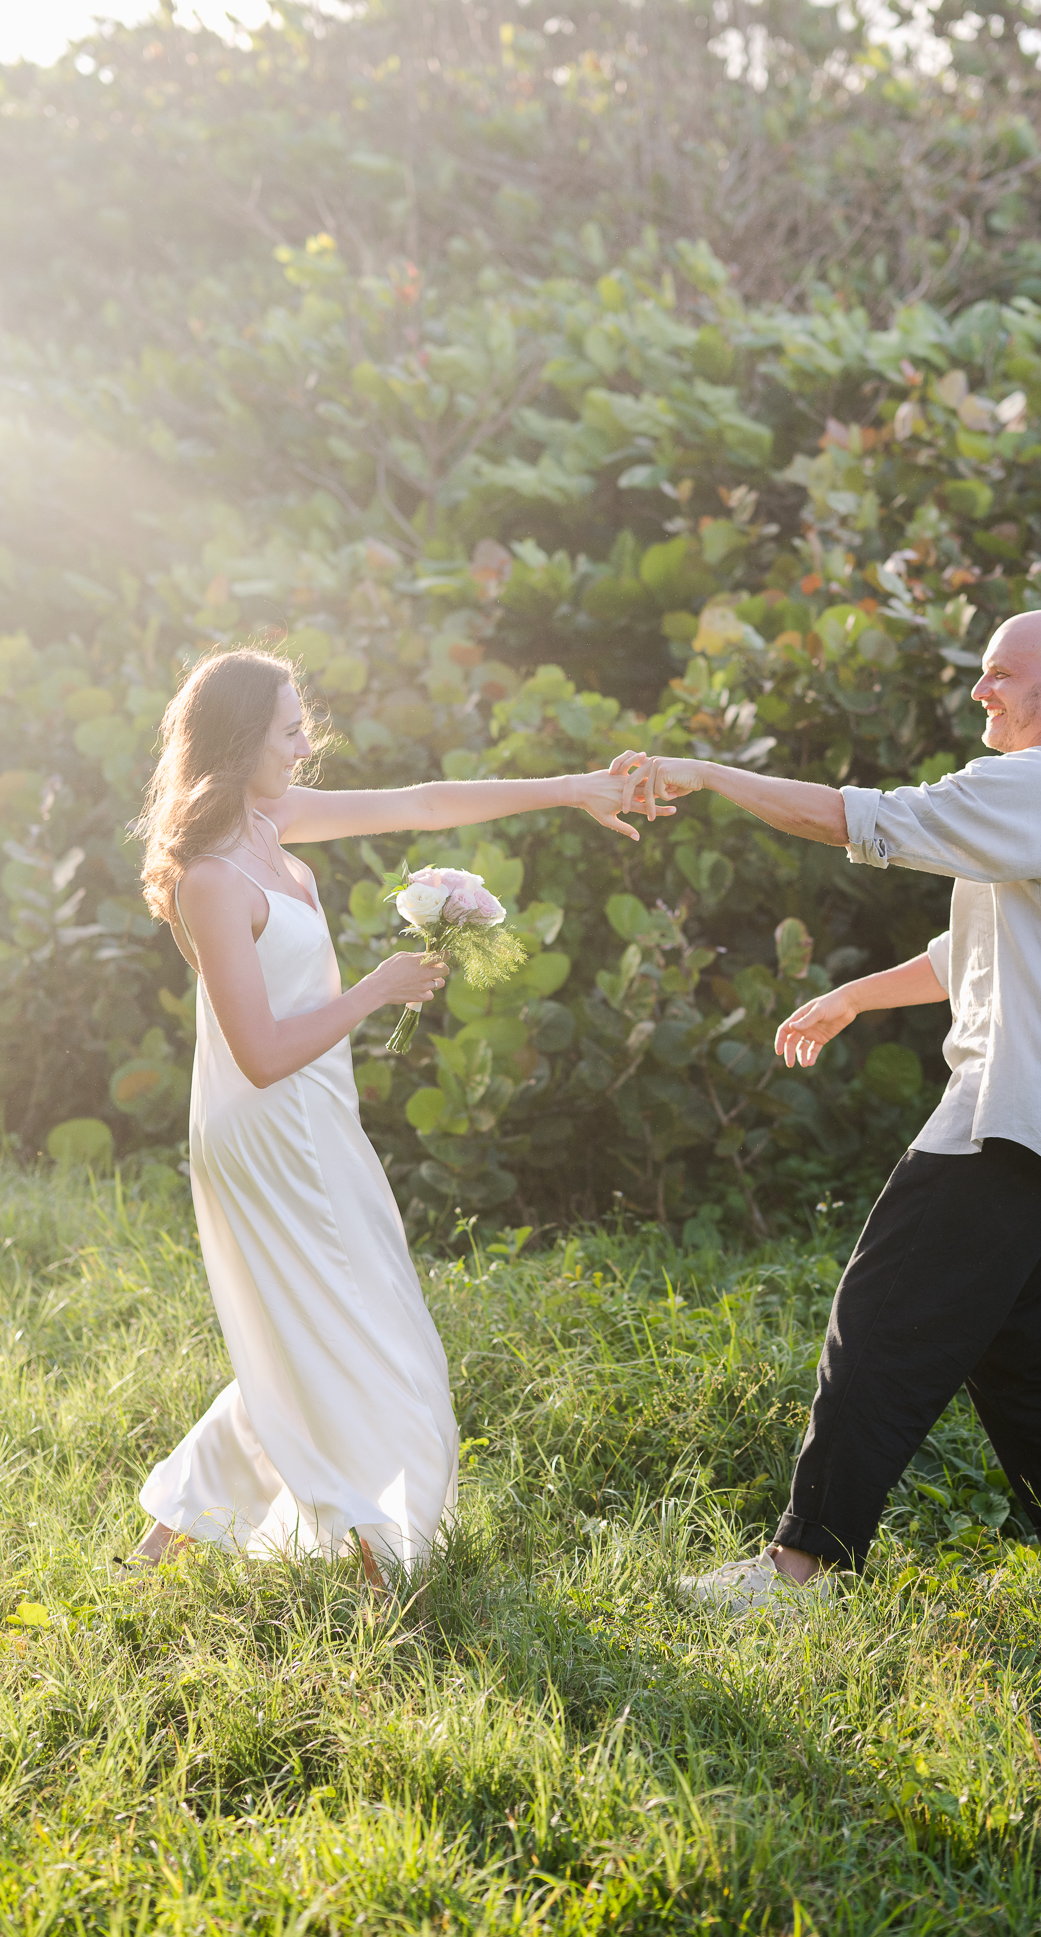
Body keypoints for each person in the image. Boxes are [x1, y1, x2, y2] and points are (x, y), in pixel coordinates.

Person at [617, 609, 1041, 1612]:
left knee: (877, 1314)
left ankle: (798, 1572)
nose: (980, 691)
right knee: (1018, 1364)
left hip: (1007, 1120)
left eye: (1001, 675)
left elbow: (857, 818)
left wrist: (714, 774)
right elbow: (981, 952)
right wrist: (857, 993)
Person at [130, 645, 651, 1588]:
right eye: (289, 730)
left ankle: (166, 1541)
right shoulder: (212, 877)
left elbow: (421, 801)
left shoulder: (270, 823)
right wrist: (376, 990)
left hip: (318, 1121)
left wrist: (572, 788)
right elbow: (260, 1052)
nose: (305, 744)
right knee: (372, 1334)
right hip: (268, 1132)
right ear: (241, 737)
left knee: (309, 1328)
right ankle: (376, 1550)